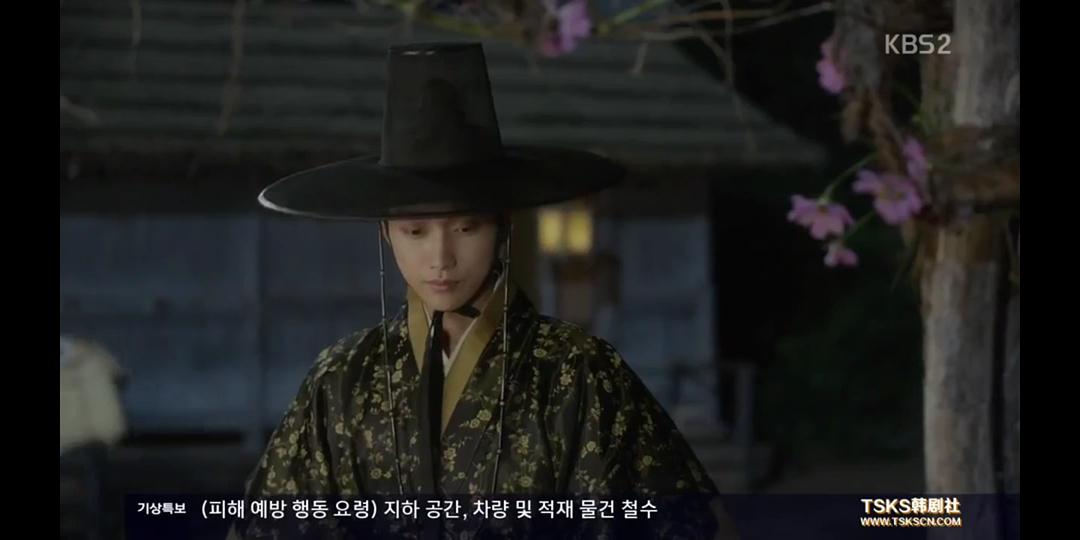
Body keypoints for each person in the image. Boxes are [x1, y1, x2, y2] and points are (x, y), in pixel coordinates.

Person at [229, 42, 735, 540]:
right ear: (385, 232)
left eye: (467, 227)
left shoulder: (579, 372)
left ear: (502, 226)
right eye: (415, 232)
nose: (441, 257)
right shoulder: (343, 378)